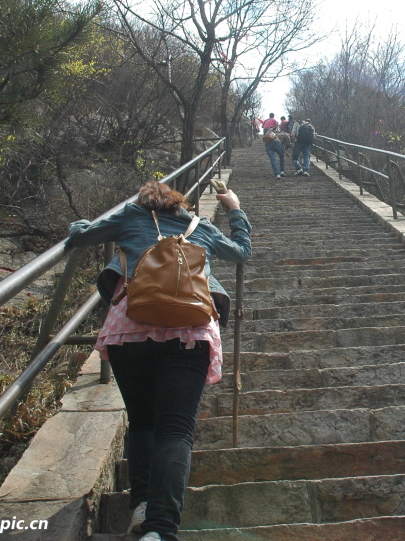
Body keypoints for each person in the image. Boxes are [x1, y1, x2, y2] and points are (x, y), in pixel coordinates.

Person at [64, 181, 251, 541]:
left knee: (143, 424)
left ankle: (142, 507)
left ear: (144, 202)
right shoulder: (201, 227)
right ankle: (161, 531)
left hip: (129, 330)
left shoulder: (130, 217)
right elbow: (242, 251)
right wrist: (234, 208)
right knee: (176, 430)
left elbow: (81, 237)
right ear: (180, 205)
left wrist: (79, 224)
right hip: (189, 331)